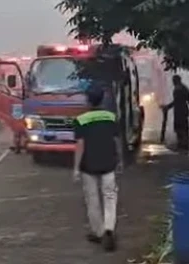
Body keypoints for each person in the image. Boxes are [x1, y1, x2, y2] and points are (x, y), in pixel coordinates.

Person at [73, 85, 123, 252]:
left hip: (89, 166)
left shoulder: (81, 120)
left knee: (92, 199)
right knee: (110, 197)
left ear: (88, 100)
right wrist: (120, 160)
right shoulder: (111, 117)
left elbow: (80, 145)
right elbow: (116, 140)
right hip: (109, 163)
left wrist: (76, 168)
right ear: (102, 99)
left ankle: (99, 232)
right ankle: (109, 229)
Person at [163, 74, 189, 152]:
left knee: (180, 128)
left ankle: (182, 145)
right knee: (184, 128)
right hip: (183, 111)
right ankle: (184, 144)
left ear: (177, 81)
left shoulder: (178, 89)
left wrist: (167, 107)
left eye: (174, 81)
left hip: (179, 111)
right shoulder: (185, 89)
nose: (173, 82)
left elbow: (177, 101)